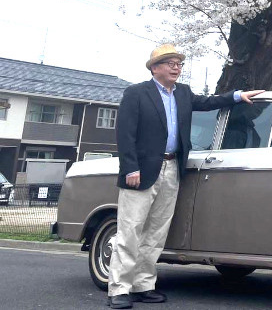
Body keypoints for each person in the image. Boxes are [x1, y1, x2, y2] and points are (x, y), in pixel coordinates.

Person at [107, 44, 263, 309]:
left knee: (156, 233)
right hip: (141, 171)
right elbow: (125, 133)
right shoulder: (136, 93)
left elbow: (209, 102)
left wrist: (238, 96)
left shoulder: (183, 93)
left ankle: (143, 285)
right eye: (171, 63)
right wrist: (130, 168)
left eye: (179, 64)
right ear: (155, 67)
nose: (176, 68)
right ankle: (119, 289)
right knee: (130, 230)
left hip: (172, 167)